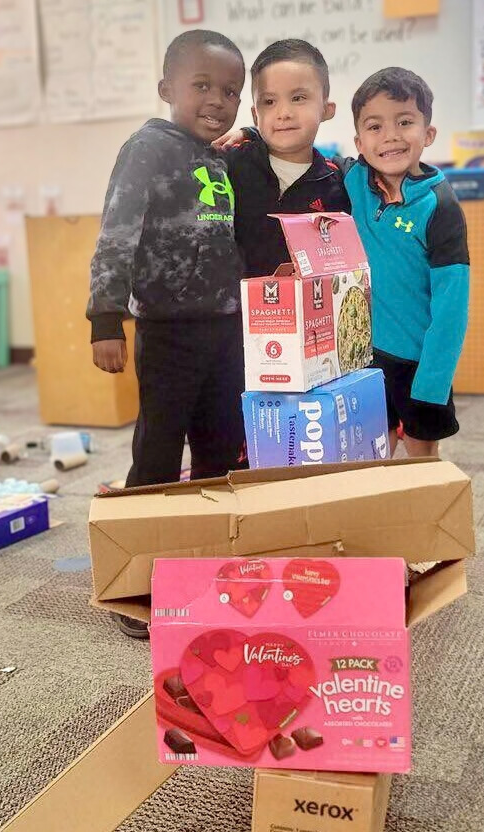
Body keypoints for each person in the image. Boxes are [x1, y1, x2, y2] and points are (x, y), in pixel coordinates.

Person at [86, 30, 247, 638]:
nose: (217, 99)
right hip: (168, 333)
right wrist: (106, 318)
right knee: (156, 454)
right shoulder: (147, 147)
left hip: (225, 332)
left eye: (230, 90)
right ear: (166, 90)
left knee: (217, 452)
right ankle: (138, 581)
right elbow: (117, 233)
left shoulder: (218, 157)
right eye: (202, 85)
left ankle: (203, 566)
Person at [339, 67, 470, 458]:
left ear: (428, 134)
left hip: (418, 363)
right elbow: (300, 152)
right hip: (365, 356)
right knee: (372, 454)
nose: (391, 136)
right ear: (359, 142)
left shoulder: (439, 206)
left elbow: (452, 308)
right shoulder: (351, 181)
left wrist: (432, 384)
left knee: (421, 457)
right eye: (375, 127)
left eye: (405, 122)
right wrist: (250, 134)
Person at [218, 39, 351, 276]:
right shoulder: (231, 165)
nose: (284, 113)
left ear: (327, 109)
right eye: (269, 102)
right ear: (255, 115)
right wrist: (249, 133)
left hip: (313, 310)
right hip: (241, 311)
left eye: (298, 98)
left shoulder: (340, 181)